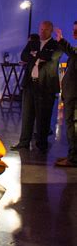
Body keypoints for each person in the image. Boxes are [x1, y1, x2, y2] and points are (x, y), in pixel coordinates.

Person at [11, 21, 62, 152]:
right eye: (41, 29)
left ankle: (41, 144)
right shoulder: (32, 42)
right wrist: (37, 57)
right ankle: (24, 142)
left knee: (43, 117)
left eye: (45, 30)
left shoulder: (55, 45)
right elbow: (23, 55)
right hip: (30, 84)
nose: (42, 32)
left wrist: (33, 55)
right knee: (27, 115)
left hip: (45, 86)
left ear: (50, 31)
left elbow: (50, 57)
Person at [54, 22, 77, 166]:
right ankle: (72, 155)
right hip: (71, 93)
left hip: (75, 95)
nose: (74, 34)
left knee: (73, 125)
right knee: (70, 124)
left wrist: (62, 41)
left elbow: (73, 54)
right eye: (74, 31)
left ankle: (74, 158)